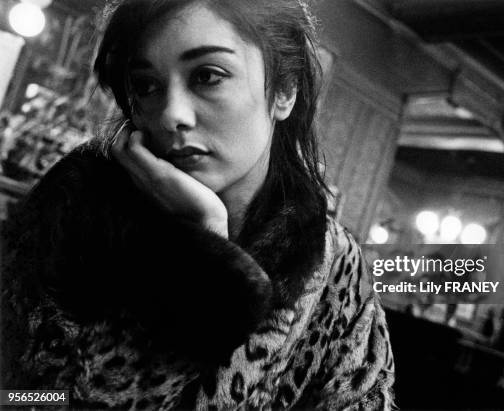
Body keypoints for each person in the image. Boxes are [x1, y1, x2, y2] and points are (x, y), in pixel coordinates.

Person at [1, 0, 395, 409]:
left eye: (207, 76)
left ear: (284, 90)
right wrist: (203, 261)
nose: (170, 114)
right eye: (146, 86)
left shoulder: (331, 262)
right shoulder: (75, 209)